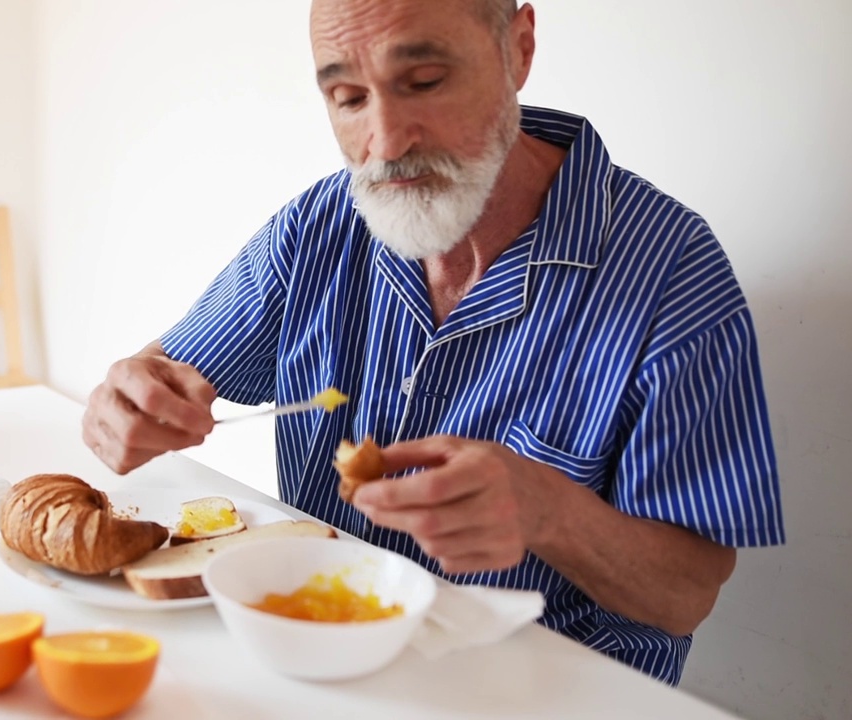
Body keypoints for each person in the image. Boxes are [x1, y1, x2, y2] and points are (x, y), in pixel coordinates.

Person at [81, 0, 784, 685]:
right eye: (350, 98)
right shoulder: (319, 226)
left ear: (519, 49)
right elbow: (167, 371)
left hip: (544, 694)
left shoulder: (673, 273)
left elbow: (686, 593)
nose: (386, 144)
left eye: (423, 83)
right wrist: (130, 398)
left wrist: (550, 513)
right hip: (328, 666)